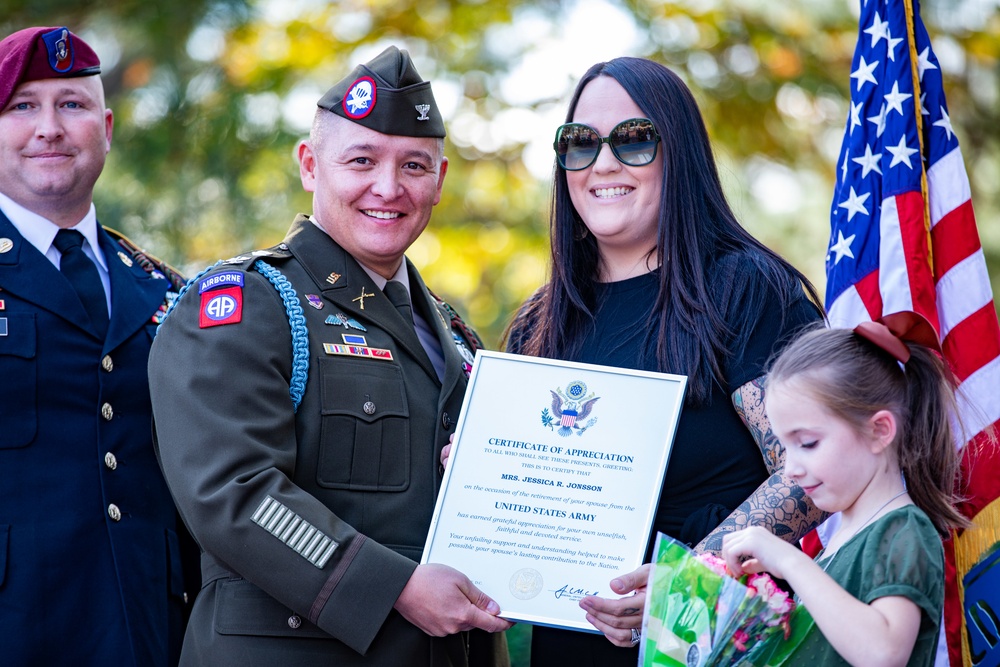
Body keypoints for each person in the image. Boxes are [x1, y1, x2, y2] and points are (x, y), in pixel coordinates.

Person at [147, 46, 511, 666]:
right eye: (362, 160)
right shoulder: (246, 306)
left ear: (440, 181)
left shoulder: (453, 332)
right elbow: (233, 493)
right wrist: (390, 586)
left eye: (414, 166)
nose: (388, 188)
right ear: (311, 165)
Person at [501, 56, 825, 664]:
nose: (602, 163)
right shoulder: (537, 322)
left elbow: (811, 468)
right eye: (579, 143)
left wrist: (688, 581)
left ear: (680, 155)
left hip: (710, 640)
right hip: (569, 645)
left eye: (633, 140)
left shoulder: (741, 288)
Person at [0, 26, 194, 665]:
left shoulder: (167, 290)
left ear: (106, 126)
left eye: (72, 104)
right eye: (22, 106)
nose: (49, 127)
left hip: (147, 627)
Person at [721, 317, 968, 665]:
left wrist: (790, 562)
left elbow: (883, 653)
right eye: (785, 447)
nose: (789, 468)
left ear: (880, 430)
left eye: (807, 443)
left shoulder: (902, 530)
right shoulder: (840, 542)